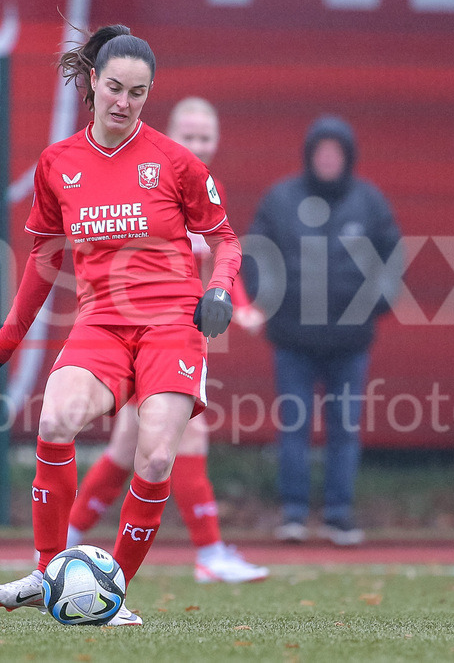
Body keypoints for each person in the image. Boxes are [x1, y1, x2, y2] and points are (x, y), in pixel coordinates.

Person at [0, 25, 241, 625]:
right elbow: (43, 260)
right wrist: (2, 345)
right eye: (114, 87)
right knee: (56, 417)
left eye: (137, 93)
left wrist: (219, 289)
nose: (124, 102)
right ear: (92, 81)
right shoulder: (58, 163)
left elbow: (224, 237)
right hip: (104, 322)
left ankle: (110, 596)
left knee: (156, 458)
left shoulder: (174, 161)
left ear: (148, 95)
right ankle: (45, 574)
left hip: (172, 324)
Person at [66, 97, 268, 584]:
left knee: (126, 447)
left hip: (172, 332)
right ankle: (210, 553)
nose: (197, 145)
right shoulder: (151, 180)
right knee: (185, 435)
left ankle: (68, 539)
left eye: (205, 137)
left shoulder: (202, 189)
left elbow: (219, 250)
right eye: (189, 136)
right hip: (147, 333)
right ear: (167, 133)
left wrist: (238, 303)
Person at [242, 114, 402, 547]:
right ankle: (293, 514)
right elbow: (254, 254)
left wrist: (374, 305)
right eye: (321, 151)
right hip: (292, 339)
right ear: (310, 155)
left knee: (344, 428)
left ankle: (337, 514)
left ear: (348, 158)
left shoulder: (370, 202)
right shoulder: (280, 199)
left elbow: (393, 256)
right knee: (293, 426)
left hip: (350, 342)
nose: (328, 159)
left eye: (336, 152)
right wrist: (265, 300)